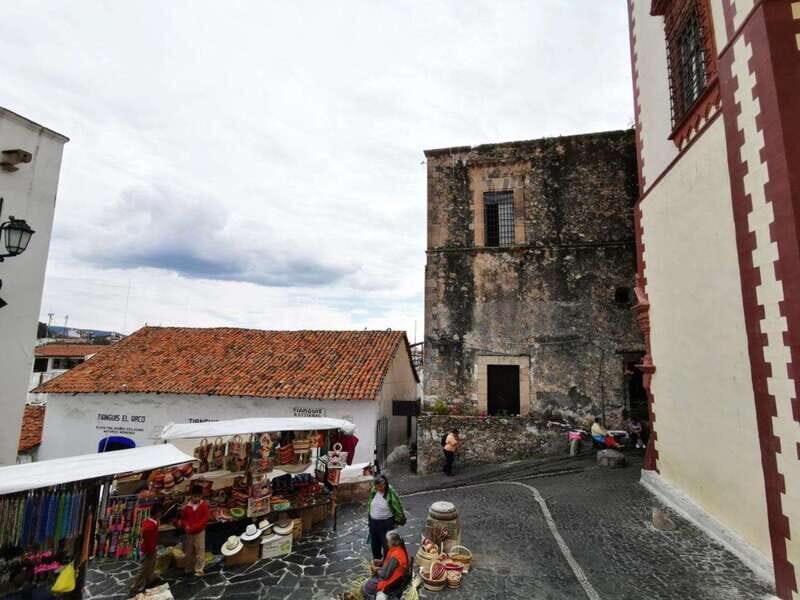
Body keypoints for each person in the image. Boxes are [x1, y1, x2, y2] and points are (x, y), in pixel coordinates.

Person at [362, 531, 410, 600]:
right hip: (393, 577)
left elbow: (385, 575)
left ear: (393, 543)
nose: (387, 543)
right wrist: (381, 562)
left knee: (367, 586)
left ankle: (373, 598)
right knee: (368, 583)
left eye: (388, 541)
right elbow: (389, 565)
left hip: (393, 582)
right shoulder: (398, 549)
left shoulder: (396, 556)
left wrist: (376, 569)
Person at [366, 475, 406, 560]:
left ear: (385, 484)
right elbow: (370, 503)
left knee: (387, 546)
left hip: (386, 524)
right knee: (375, 545)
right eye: (377, 487)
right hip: (374, 523)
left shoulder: (391, 492)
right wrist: (370, 520)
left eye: (381, 486)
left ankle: (387, 565)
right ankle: (377, 563)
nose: (379, 489)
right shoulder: (374, 490)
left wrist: (397, 521)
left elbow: (398, 507)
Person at [177, 486, 209, 577]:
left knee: (200, 550)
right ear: (191, 496)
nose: (196, 498)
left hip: (200, 532)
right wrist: (186, 526)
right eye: (195, 496)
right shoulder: (187, 507)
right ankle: (189, 567)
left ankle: (199, 569)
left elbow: (204, 519)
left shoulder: (204, 505)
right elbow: (183, 519)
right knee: (189, 550)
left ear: (201, 496)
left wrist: (194, 528)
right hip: (189, 532)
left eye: (198, 496)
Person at [129, 504, 161, 594]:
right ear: (157, 514)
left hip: (151, 548)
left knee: (151, 565)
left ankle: (149, 579)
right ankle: (136, 585)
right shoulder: (150, 526)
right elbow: (149, 541)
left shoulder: (151, 522)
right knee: (144, 568)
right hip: (148, 550)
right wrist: (151, 551)